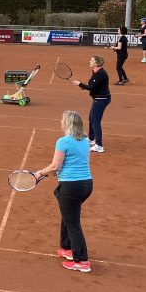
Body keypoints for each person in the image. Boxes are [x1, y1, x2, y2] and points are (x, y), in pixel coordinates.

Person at [35, 110, 93, 273]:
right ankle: (67, 248)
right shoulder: (85, 141)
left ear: (68, 123)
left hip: (71, 187)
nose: (60, 122)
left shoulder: (63, 142)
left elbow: (55, 166)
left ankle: (82, 261)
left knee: (73, 223)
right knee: (68, 216)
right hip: (86, 185)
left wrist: (39, 173)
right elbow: (76, 163)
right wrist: (51, 173)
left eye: (62, 120)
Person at [63, 55, 110, 153]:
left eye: (92, 60)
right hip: (98, 98)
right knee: (91, 119)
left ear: (97, 63)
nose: (90, 61)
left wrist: (80, 84)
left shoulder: (100, 74)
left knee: (96, 121)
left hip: (101, 99)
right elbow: (92, 85)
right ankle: (91, 139)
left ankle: (99, 145)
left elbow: (92, 87)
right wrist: (82, 86)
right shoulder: (95, 72)